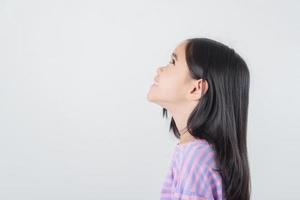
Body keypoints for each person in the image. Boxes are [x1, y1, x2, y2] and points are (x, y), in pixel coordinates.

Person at [147, 38, 251, 200]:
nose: (160, 69)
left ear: (196, 88)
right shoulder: (194, 153)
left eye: (172, 62)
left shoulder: (195, 160)